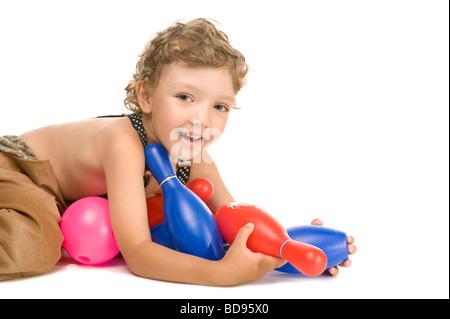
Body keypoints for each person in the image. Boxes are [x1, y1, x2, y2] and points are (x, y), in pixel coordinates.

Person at [0, 18, 356, 285]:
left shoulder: (194, 158)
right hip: (20, 168)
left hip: (60, 202)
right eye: (185, 97)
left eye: (220, 106)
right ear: (145, 96)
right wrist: (220, 275)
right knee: (35, 246)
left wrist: (293, 248)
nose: (202, 118)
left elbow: (236, 224)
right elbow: (138, 253)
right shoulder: (123, 144)